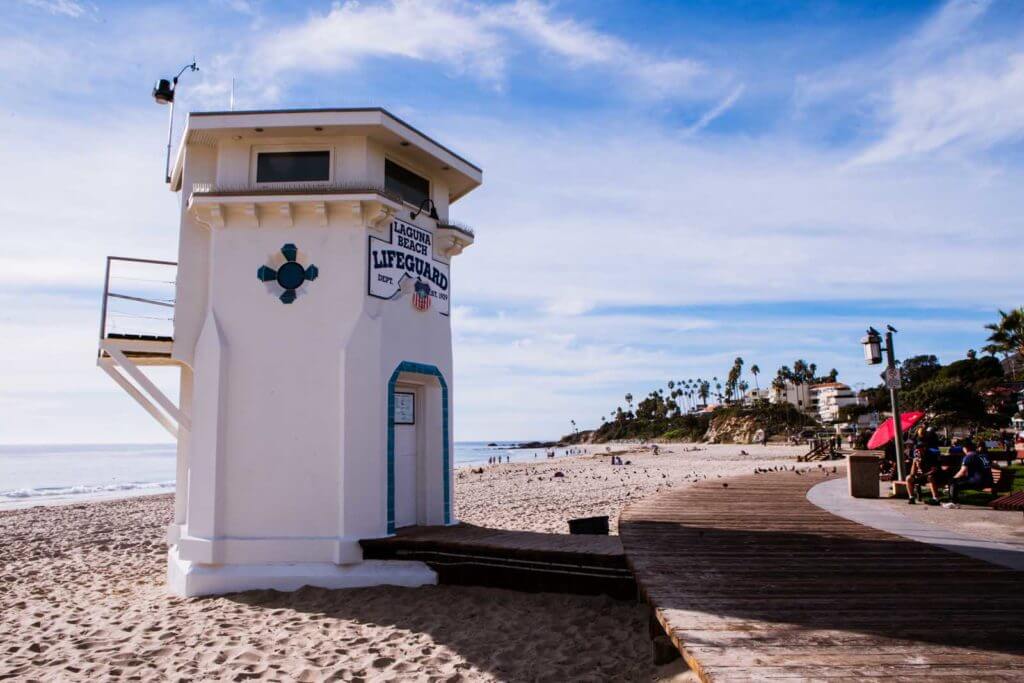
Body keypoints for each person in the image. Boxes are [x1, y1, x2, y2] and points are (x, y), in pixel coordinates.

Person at [947, 439, 993, 507]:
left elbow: (962, 472)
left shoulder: (968, 456)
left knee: (953, 483)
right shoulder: (981, 455)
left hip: (978, 482)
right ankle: (955, 501)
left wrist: (953, 478)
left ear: (966, 448)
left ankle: (953, 502)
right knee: (958, 481)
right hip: (988, 481)